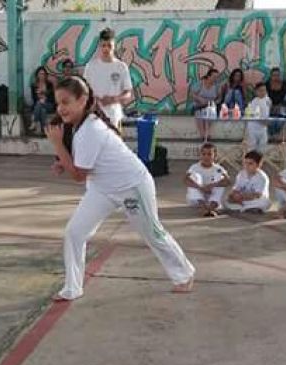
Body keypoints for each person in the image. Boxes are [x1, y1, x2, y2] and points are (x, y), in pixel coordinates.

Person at [46, 76, 195, 300]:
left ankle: (184, 274)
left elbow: (78, 175)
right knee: (75, 232)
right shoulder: (80, 127)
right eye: (58, 103)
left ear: (83, 100)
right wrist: (62, 161)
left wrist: (58, 145)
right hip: (101, 189)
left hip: (131, 186)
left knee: (152, 233)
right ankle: (72, 287)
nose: (61, 108)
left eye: (66, 102)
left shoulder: (91, 129)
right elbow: (82, 163)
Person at [83, 28, 133, 128]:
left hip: (114, 117)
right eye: (103, 45)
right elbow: (84, 91)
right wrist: (94, 100)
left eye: (109, 45)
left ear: (114, 46)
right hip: (93, 117)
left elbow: (128, 94)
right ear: (99, 46)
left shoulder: (121, 67)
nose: (106, 49)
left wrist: (113, 99)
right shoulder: (90, 66)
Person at [184, 143, 230, 217]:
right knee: (194, 176)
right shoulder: (194, 167)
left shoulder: (218, 168)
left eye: (209, 154)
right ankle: (204, 208)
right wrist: (200, 187)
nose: (206, 157)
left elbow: (227, 181)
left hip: (211, 195)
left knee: (220, 178)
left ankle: (211, 207)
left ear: (215, 156)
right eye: (204, 154)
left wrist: (212, 185)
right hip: (197, 198)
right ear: (200, 155)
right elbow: (185, 180)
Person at [191, 68, 221, 141]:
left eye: (217, 77)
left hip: (211, 105)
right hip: (199, 104)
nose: (215, 79)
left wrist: (214, 102)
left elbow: (219, 98)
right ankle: (202, 134)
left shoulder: (217, 86)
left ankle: (208, 133)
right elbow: (192, 94)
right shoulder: (200, 84)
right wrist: (200, 99)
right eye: (214, 77)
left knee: (211, 111)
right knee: (199, 112)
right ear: (208, 76)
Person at [246, 82, 272, 154]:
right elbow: (254, 115)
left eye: (264, 90)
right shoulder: (254, 102)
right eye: (260, 90)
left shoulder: (268, 100)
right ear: (256, 92)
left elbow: (268, 109)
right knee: (252, 147)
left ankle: (260, 163)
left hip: (263, 128)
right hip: (253, 128)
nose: (262, 92)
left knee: (262, 148)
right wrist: (263, 122)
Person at [29, 66, 56, 133]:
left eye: (43, 74)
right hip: (39, 106)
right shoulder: (34, 86)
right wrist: (40, 100)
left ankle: (34, 122)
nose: (42, 76)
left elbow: (52, 98)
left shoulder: (49, 85)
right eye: (40, 74)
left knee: (40, 104)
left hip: (49, 104)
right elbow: (34, 99)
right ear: (37, 75)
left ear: (46, 75)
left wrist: (45, 96)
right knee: (42, 110)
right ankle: (44, 130)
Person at [266, 67, 286, 137]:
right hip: (269, 107)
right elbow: (264, 98)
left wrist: (280, 105)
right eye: (274, 75)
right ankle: (271, 133)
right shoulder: (266, 85)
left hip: (281, 107)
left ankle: (275, 133)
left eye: (278, 75)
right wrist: (271, 106)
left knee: (280, 116)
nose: (276, 77)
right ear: (271, 76)